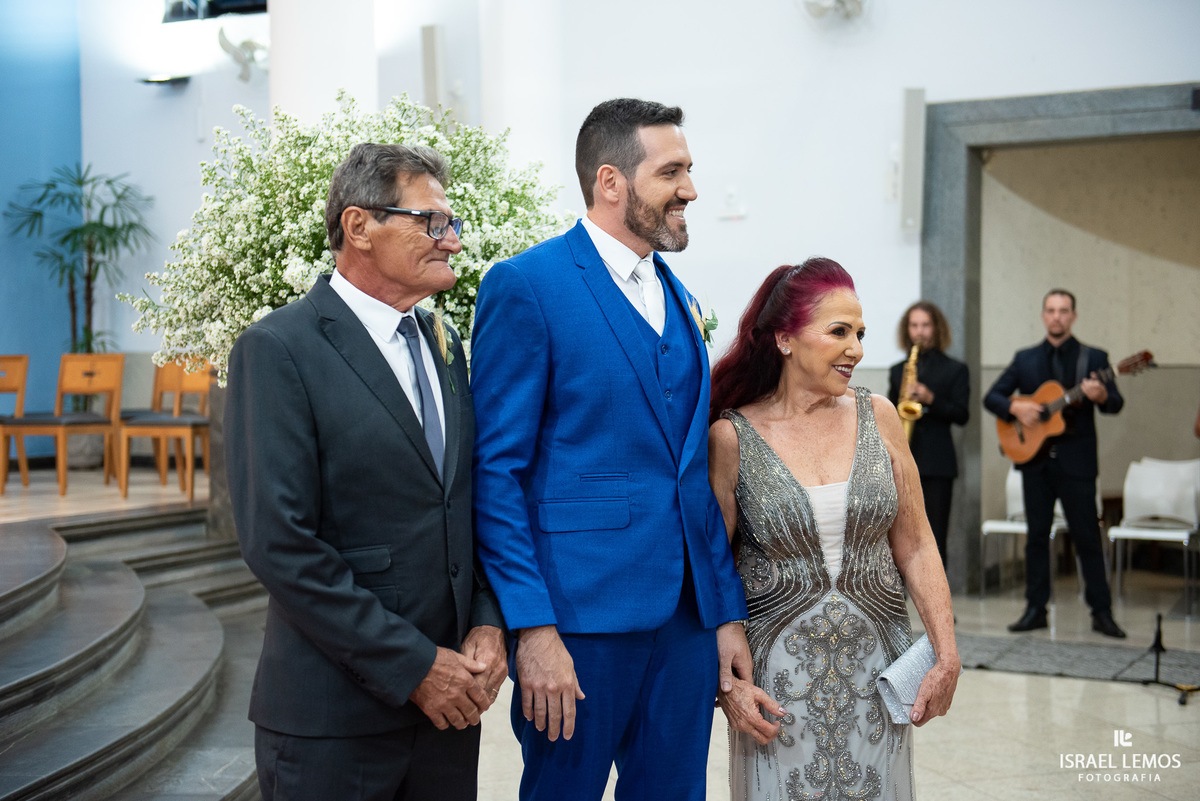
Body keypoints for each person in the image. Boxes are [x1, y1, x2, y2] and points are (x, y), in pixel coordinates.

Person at [471, 99, 769, 801]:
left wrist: (723, 613)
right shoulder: (528, 286)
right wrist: (531, 627)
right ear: (611, 181)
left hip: (685, 623)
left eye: (688, 170)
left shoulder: (679, 296)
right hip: (578, 620)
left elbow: (689, 477)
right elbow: (496, 472)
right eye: (671, 172)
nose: (690, 188)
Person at [225, 142, 506, 800]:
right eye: (431, 222)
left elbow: (462, 504)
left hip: (448, 713)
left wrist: (488, 621)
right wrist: (413, 666)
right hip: (334, 722)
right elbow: (280, 543)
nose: (452, 241)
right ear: (358, 226)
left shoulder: (443, 343)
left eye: (452, 223)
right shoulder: (278, 348)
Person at [708, 258, 959, 801]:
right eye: (839, 332)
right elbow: (711, 566)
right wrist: (727, 685)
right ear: (785, 339)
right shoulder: (731, 436)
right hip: (777, 683)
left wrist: (947, 653)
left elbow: (916, 544)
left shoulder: (880, 416)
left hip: (878, 674)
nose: (857, 350)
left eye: (860, 334)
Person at [984, 288, 1126, 638]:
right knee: (1036, 538)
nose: (1057, 316)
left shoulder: (1093, 358)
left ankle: (1102, 612)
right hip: (1035, 463)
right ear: (1043, 315)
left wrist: (1102, 394)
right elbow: (992, 397)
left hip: (1077, 464)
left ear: (1073, 316)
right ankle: (1035, 609)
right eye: (1051, 310)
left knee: (1087, 537)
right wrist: (1015, 408)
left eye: (1063, 311)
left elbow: (1115, 403)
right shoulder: (1025, 358)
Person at [887, 301, 970, 567]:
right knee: (899, 537)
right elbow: (889, 413)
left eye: (925, 325)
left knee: (936, 536)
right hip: (903, 461)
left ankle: (938, 592)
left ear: (936, 328)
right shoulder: (898, 370)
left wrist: (930, 398)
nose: (919, 331)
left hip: (938, 464)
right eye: (914, 325)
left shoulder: (955, 369)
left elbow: (962, 415)